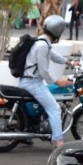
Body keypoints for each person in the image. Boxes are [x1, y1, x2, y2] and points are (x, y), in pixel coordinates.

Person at [18, 15, 73, 148]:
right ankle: (59, 142)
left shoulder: (42, 43)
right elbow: (44, 72)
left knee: (43, 105)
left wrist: (69, 62)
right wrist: (58, 81)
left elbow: (53, 56)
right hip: (32, 82)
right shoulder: (42, 45)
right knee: (54, 108)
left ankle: (27, 131)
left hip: (29, 81)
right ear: (57, 32)